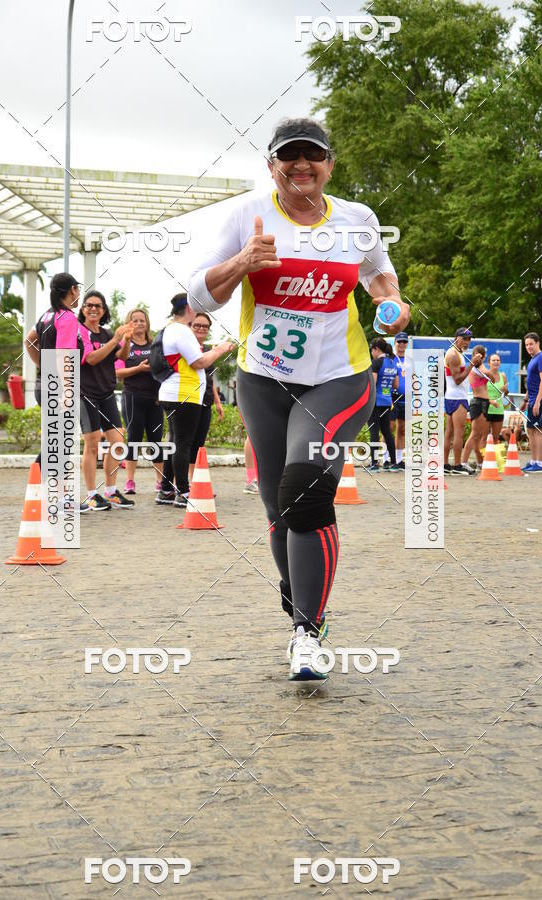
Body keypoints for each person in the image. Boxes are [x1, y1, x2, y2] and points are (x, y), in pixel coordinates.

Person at [188, 117, 410, 680]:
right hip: (264, 379)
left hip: (340, 376)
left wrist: (394, 306)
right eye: (290, 157)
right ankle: (301, 604)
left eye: (313, 156)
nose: (301, 166)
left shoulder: (358, 220)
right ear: (272, 167)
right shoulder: (247, 215)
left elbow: (383, 283)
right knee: (277, 509)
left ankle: (307, 634)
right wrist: (244, 262)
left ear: (329, 165)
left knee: (302, 491)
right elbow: (199, 297)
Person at [156, 293, 234, 507]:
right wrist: (219, 349)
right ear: (189, 309)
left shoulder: (170, 329)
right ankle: (182, 491)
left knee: (174, 442)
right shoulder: (182, 331)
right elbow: (199, 362)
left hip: (174, 392)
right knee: (182, 443)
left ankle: (165, 490)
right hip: (184, 393)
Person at [24, 272, 93, 473]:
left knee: (56, 442)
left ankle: (44, 493)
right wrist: (68, 392)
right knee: (60, 445)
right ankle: (53, 496)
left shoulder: (47, 315)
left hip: (44, 385)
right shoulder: (67, 318)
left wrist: (43, 367)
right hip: (59, 389)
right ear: (72, 290)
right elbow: (65, 357)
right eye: (78, 289)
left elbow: (29, 342)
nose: (79, 294)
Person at [78, 290, 135, 511]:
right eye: (89, 305)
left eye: (98, 306)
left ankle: (110, 492)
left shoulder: (106, 333)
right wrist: (116, 339)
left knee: (118, 443)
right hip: (86, 394)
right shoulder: (79, 332)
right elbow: (91, 359)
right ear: (82, 309)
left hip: (106, 393)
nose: (93, 309)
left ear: (104, 311)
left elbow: (121, 356)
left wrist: (126, 340)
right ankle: (92, 494)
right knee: (91, 444)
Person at [115, 308, 164, 495]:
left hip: (155, 400)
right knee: (133, 439)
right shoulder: (123, 345)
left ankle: (160, 482)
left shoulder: (155, 345)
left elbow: (163, 368)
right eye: (134, 320)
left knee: (156, 441)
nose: (139, 323)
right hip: (133, 398)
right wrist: (138, 369)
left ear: (147, 323)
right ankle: (130, 482)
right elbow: (117, 373)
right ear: (129, 324)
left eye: (142, 320)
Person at [188, 312, 225, 482]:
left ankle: (195, 481)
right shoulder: (186, 347)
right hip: (187, 401)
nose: (201, 329)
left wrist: (217, 403)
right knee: (184, 443)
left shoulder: (209, 351)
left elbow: (210, 380)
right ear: (190, 326)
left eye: (205, 326)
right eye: (197, 325)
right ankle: (178, 483)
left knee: (199, 443)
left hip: (205, 401)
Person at [443, 327, 483, 475]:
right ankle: (458, 465)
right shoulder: (453, 354)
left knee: (450, 432)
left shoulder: (456, 352)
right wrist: (472, 364)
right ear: (457, 338)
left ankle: (446, 464)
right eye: (465, 339)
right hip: (457, 397)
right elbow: (458, 379)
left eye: (469, 339)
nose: (468, 342)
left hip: (451, 396)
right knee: (458, 433)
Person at [368, 338, 399, 472]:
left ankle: (374, 464)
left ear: (376, 349)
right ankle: (393, 462)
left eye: (371, 350)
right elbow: (396, 385)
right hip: (387, 401)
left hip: (375, 401)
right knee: (387, 432)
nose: (371, 352)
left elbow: (372, 384)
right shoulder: (392, 362)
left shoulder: (376, 363)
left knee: (374, 431)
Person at [461, 345, 491, 470]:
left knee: (480, 435)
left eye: (480, 356)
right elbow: (491, 376)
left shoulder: (479, 369)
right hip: (478, 402)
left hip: (484, 402)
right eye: (475, 356)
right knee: (474, 434)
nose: (477, 358)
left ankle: (479, 463)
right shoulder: (476, 370)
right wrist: (480, 362)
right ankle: (463, 462)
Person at [522, 332, 542, 472]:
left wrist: (537, 402)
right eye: (526, 345)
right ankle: (533, 460)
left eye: (531, 344)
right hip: (532, 400)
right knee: (530, 430)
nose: (529, 347)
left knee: (537, 430)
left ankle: (539, 463)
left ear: (537, 343)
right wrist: (526, 400)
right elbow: (531, 383)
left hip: (539, 401)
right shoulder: (532, 360)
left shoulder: (540, 357)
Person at [390, 332, 408, 468]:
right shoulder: (391, 358)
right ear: (395, 343)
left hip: (406, 398)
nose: (402, 344)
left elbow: (413, 379)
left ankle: (399, 459)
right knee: (388, 429)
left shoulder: (410, 360)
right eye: (399, 342)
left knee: (402, 430)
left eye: (404, 342)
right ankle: (386, 459)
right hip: (392, 398)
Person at [486, 353, 509, 443]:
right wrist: (491, 401)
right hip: (486, 409)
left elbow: (505, 394)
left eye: (498, 360)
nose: (496, 362)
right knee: (484, 437)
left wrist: (505, 390)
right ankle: (483, 457)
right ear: (489, 363)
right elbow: (479, 393)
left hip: (498, 410)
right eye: (493, 360)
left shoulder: (502, 376)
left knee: (495, 438)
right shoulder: (485, 375)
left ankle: (494, 457)